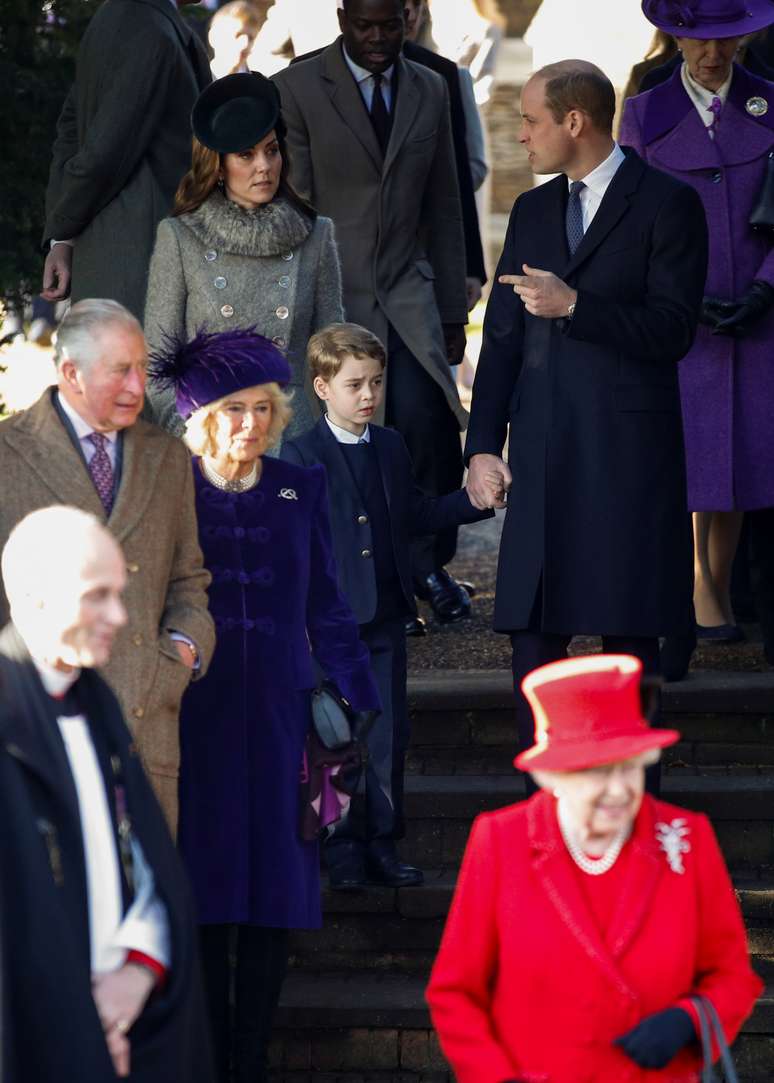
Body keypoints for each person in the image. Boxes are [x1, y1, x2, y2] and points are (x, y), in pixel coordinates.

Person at [149, 327, 380, 1083]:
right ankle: (210, 1061)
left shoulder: (296, 486)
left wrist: (357, 691)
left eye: (261, 408)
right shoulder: (171, 488)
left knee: (275, 895)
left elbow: (326, 601)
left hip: (283, 720)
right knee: (207, 894)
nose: (250, 423)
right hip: (198, 720)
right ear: (202, 417)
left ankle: (249, 1062)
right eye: (233, 409)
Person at [464, 60, 708, 762]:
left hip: (627, 463)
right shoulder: (534, 210)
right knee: (532, 649)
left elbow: (673, 331)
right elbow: (503, 339)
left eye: (531, 120)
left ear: (575, 121)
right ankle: (541, 818)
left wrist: (577, 305)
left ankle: (634, 821)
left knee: (630, 651)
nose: (521, 135)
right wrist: (482, 446)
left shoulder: (667, 203)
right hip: (543, 457)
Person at [427, 653, 763, 1082]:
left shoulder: (686, 838)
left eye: (631, 768)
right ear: (555, 776)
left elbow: (733, 976)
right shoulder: (501, 840)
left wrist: (689, 1020)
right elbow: (456, 992)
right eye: (599, 772)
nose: (619, 790)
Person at [273, 0, 473, 632]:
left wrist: (451, 310)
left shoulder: (431, 86)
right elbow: (294, 208)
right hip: (334, 295)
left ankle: (425, 567)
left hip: (409, 292)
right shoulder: (295, 89)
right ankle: (377, 586)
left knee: (428, 425)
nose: (380, 38)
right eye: (366, 26)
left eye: (392, 25)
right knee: (350, 439)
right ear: (342, 20)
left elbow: (445, 201)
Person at [0, 507, 215, 1083]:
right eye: (97, 596)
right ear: (33, 596)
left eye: (118, 593)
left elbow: (142, 862)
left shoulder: (96, 706)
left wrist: (138, 972)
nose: (120, 616)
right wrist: (82, 1029)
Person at [281, 323, 493, 889]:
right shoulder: (300, 454)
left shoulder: (392, 447)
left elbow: (416, 514)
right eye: (354, 385)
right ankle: (341, 849)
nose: (369, 395)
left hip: (386, 618)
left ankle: (382, 842)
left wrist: (474, 501)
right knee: (333, 738)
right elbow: (293, 546)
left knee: (387, 735)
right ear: (322, 387)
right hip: (329, 627)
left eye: (375, 382)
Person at [0, 299, 215, 830]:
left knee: (144, 881)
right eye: (120, 370)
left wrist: (182, 652)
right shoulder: (7, 454)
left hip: (147, 734)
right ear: (71, 372)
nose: (138, 387)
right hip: (34, 735)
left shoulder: (167, 456)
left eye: (142, 367)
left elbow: (189, 579)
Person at [620, 0, 774, 677]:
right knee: (691, 456)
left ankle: (714, 580)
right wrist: (677, 294)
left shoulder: (771, 103)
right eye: (698, 40)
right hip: (683, 320)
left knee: (746, 455)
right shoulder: (644, 112)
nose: (713, 54)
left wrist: (766, 287)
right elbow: (628, 217)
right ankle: (695, 587)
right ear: (675, 36)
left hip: (760, 317)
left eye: (727, 39)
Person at [145, 71, 343, 440]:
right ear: (219, 166)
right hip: (212, 437)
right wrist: (192, 435)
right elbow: (159, 361)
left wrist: (326, 441)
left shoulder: (316, 235)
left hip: (294, 436)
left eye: (272, 150)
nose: (264, 166)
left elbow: (333, 356)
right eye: (246, 155)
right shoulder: (180, 237)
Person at [41, 0, 212, 320]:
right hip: (141, 269)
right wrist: (62, 230)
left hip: (118, 261)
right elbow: (103, 152)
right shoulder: (151, 30)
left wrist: (61, 237)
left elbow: (72, 134)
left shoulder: (117, 16)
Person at [208, 0, 264, 78]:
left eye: (250, 38)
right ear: (214, 37)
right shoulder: (198, 79)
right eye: (238, 35)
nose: (245, 44)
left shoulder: (259, 82)